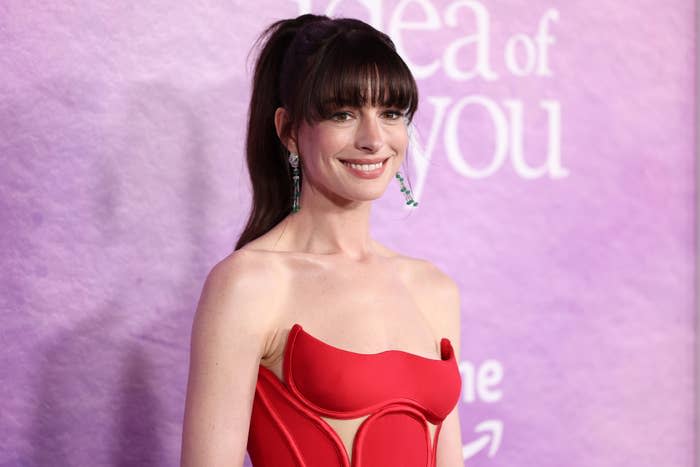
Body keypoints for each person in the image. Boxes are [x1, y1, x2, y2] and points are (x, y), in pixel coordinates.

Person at [180, 13, 463, 467]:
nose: (373, 139)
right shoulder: (248, 284)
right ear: (289, 131)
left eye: (390, 113)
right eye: (343, 114)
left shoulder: (433, 289)